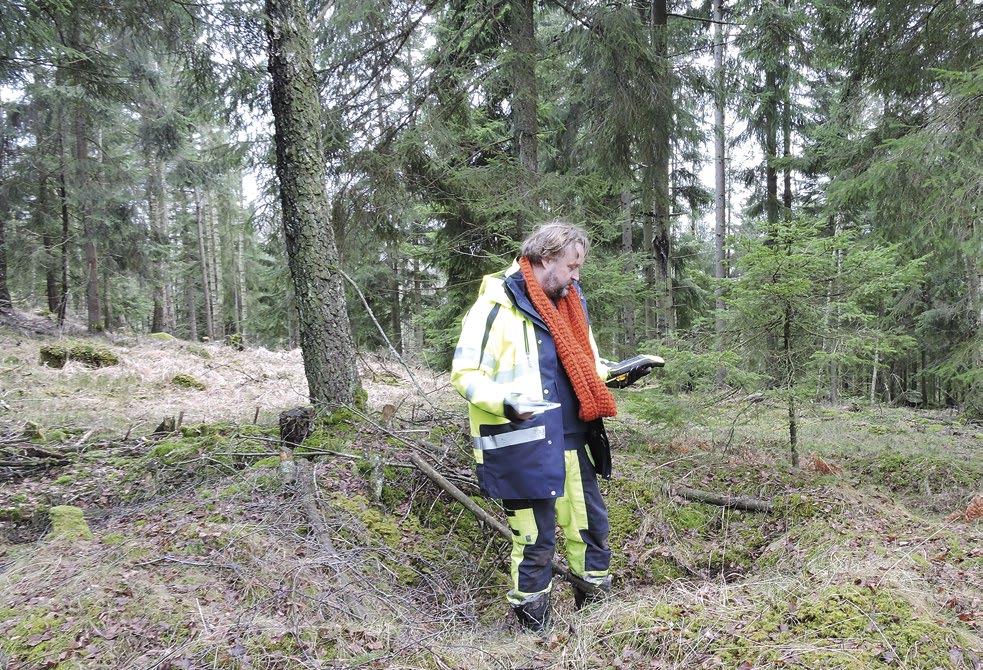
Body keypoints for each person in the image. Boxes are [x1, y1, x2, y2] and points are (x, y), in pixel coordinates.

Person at [450, 221, 661, 632]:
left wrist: (620, 374)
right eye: (572, 266)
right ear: (544, 259)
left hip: (572, 441)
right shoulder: (496, 305)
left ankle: (597, 624)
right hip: (519, 448)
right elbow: (465, 373)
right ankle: (536, 635)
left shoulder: (569, 301)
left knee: (591, 530)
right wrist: (506, 403)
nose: (576, 276)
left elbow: (588, 367)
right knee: (534, 542)